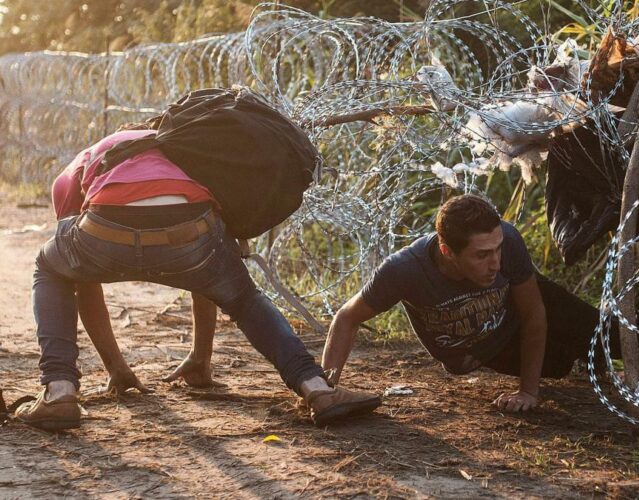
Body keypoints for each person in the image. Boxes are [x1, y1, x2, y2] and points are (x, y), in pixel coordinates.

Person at [15, 128, 381, 430]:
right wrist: (201, 359)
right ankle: (316, 387)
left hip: (106, 224)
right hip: (190, 229)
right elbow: (209, 273)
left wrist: (117, 368)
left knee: (52, 269)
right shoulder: (186, 150)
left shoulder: (78, 167)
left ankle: (60, 391)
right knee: (243, 299)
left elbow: (82, 282)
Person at [321, 194, 629, 413]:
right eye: (482, 254)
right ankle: (604, 366)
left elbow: (533, 311)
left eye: (497, 249)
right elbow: (347, 318)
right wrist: (325, 389)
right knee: (560, 365)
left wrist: (528, 392)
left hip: (514, 318)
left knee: (580, 318)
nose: (495, 262)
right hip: (484, 350)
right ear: (446, 250)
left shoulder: (506, 241)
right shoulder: (404, 270)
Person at [49, 127, 222, 393]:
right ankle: (200, 360)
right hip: (183, 232)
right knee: (203, 259)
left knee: (67, 268)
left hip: (110, 229)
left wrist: (115, 365)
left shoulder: (81, 164)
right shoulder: (178, 151)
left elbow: (81, 274)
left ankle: (104, 373)